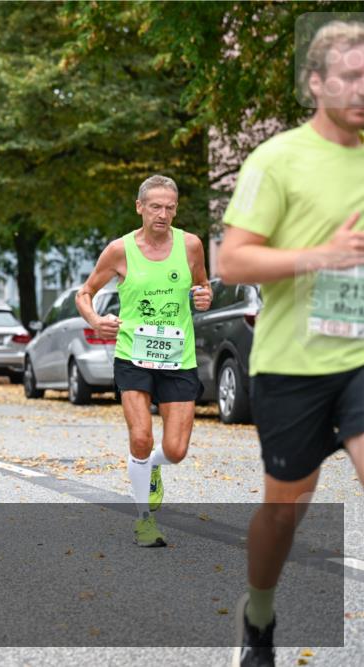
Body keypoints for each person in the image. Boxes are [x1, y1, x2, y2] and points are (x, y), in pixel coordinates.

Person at [216, 21, 364, 667]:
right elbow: (235, 262)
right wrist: (322, 255)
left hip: (361, 355)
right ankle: (259, 614)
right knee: (285, 512)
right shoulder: (276, 159)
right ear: (316, 82)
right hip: (292, 364)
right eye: (352, 76)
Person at [75, 175, 211, 547]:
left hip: (178, 357)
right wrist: (95, 320)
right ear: (140, 208)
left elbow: (203, 285)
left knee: (176, 451)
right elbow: (84, 293)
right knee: (139, 436)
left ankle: (151, 465)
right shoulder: (119, 250)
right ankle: (144, 520)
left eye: (169, 207)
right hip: (133, 355)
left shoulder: (191, 246)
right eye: (155, 206)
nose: (162, 214)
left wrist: (204, 297)